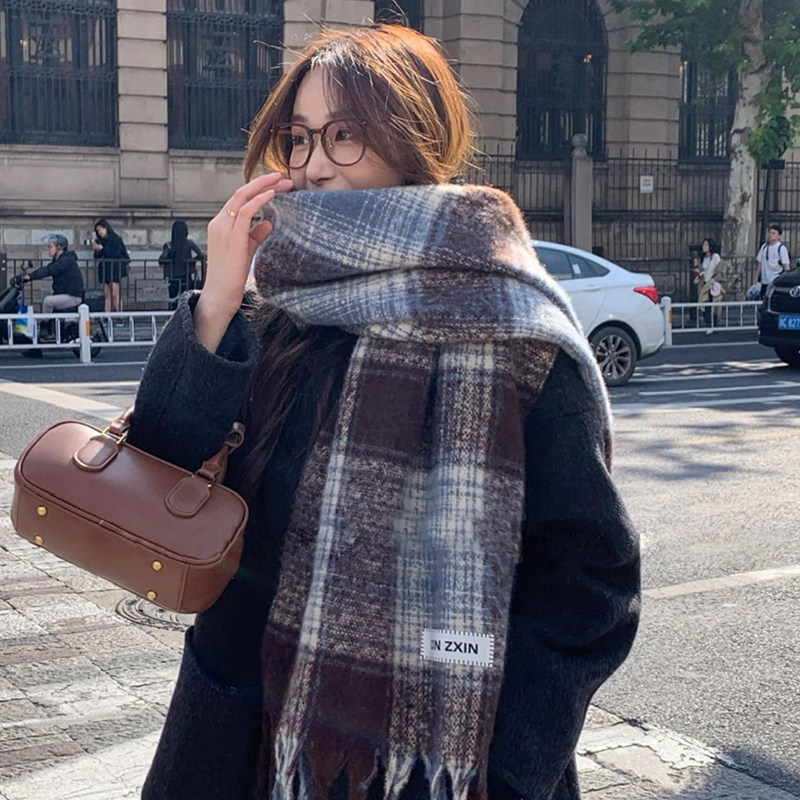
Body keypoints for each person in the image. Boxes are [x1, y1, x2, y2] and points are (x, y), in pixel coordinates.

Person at [128, 25, 640, 800]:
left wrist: (508, 764)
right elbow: (159, 471)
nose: (314, 164)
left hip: (438, 763)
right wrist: (216, 304)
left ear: (412, 138)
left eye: (345, 135)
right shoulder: (276, 308)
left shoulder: (511, 328)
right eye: (299, 138)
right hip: (234, 730)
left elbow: (590, 580)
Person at [20, 234, 85, 341]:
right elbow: (48, 269)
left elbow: (48, 270)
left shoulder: (66, 260)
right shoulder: (61, 260)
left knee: (48, 301)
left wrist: (30, 276)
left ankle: (45, 330)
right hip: (66, 294)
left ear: (59, 247)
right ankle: (49, 332)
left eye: (50, 246)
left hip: (73, 296)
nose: (48, 249)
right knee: (49, 301)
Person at [159, 219, 206, 309]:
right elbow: (201, 255)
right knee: (186, 301)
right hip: (186, 276)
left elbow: (162, 258)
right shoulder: (190, 243)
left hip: (173, 277)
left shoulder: (169, 245)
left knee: (173, 300)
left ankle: (172, 315)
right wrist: (192, 260)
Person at [93, 218, 129, 312]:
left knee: (115, 293)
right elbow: (97, 256)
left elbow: (114, 253)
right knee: (107, 294)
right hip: (104, 269)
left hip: (114, 268)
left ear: (106, 228)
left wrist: (102, 249)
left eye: (100, 229)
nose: (99, 232)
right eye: (98, 231)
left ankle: (119, 315)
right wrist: (97, 249)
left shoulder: (115, 239)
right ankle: (107, 315)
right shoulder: (100, 240)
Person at [693, 237, 724, 332]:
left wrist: (714, 280)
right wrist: (699, 274)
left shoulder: (715, 257)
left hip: (712, 283)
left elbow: (718, 270)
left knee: (712, 305)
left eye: (706, 244)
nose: (704, 246)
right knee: (704, 303)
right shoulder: (703, 258)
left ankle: (713, 324)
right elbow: (704, 271)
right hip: (705, 283)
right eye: (703, 244)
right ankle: (709, 324)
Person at [756, 223, 790, 299]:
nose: (770, 235)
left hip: (775, 281)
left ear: (779, 236)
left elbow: (786, 266)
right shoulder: (764, 247)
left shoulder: (781, 249)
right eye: (769, 233)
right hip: (764, 281)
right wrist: (756, 280)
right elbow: (759, 264)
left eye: (773, 233)